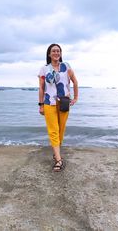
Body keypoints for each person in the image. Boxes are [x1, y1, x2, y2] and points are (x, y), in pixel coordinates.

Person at [38, 43, 78, 172]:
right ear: (49, 54)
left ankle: (56, 153)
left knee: (61, 129)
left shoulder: (66, 66)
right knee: (53, 130)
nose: (56, 53)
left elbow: (75, 82)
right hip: (49, 103)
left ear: (60, 53)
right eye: (53, 51)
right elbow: (41, 88)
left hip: (64, 102)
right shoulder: (44, 69)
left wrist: (76, 97)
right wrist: (41, 105)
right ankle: (59, 160)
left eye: (58, 51)